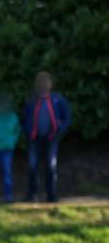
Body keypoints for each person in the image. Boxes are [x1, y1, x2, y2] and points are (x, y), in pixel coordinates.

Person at [21, 71, 72, 202]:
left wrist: (60, 128)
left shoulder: (57, 99)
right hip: (34, 138)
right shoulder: (31, 100)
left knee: (51, 165)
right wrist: (28, 131)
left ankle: (51, 194)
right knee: (32, 165)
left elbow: (67, 116)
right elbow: (24, 118)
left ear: (50, 84)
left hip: (52, 137)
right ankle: (32, 194)